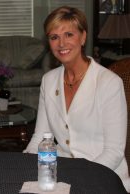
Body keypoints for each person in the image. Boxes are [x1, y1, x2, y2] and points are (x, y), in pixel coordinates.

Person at [23, 6, 130, 191]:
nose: (61, 43)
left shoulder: (109, 83)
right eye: (54, 37)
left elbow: (114, 152)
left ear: (83, 37)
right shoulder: (48, 81)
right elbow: (40, 137)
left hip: (103, 176)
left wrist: (78, 179)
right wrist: (23, 163)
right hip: (61, 175)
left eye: (69, 35)